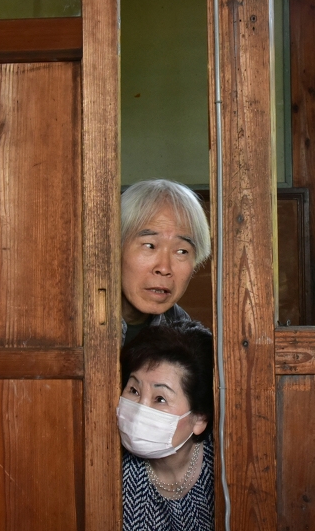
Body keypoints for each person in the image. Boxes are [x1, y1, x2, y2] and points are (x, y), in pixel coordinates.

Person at [117, 318, 215, 529]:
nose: (140, 409)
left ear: (199, 418)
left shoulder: (226, 468)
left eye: (160, 399)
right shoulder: (111, 470)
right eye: (134, 390)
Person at [121, 179, 211, 346]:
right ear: (114, 249)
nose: (164, 268)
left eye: (182, 251)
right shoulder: (72, 325)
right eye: (150, 246)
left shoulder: (186, 338)